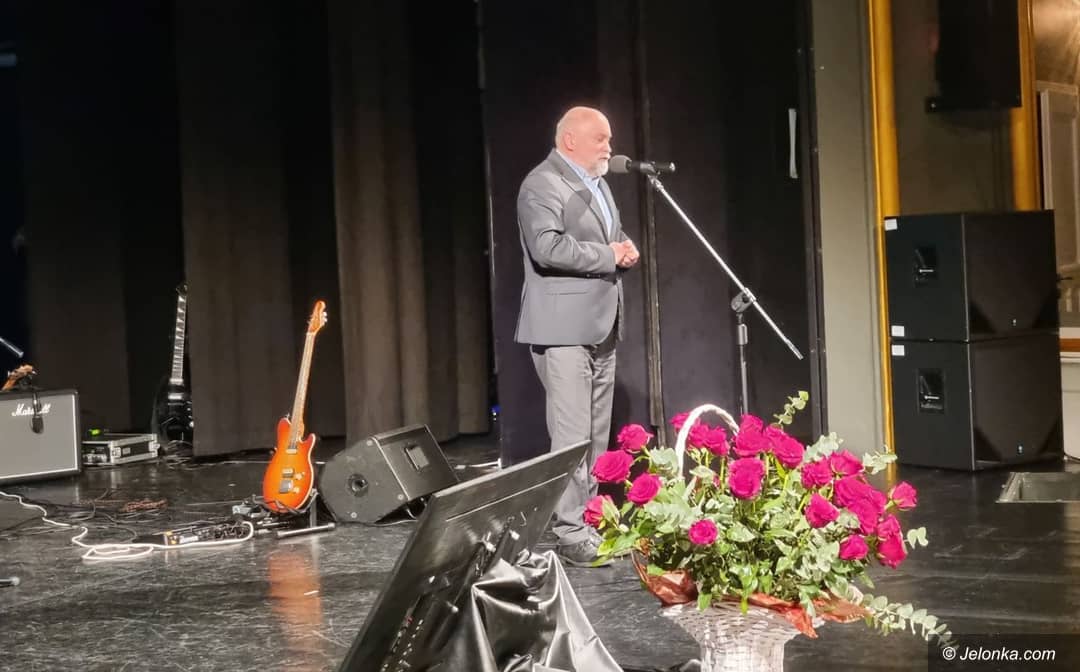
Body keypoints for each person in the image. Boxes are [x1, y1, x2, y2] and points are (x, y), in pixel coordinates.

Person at [515, 106, 639, 567]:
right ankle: (570, 533)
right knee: (571, 437)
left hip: (600, 324)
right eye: (600, 139)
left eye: (609, 139)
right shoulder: (541, 184)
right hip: (563, 330)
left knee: (595, 435)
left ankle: (590, 520)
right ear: (570, 140)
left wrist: (623, 247)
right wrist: (608, 254)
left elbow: (607, 235)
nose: (609, 147)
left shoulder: (598, 184)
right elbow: (547, 247)